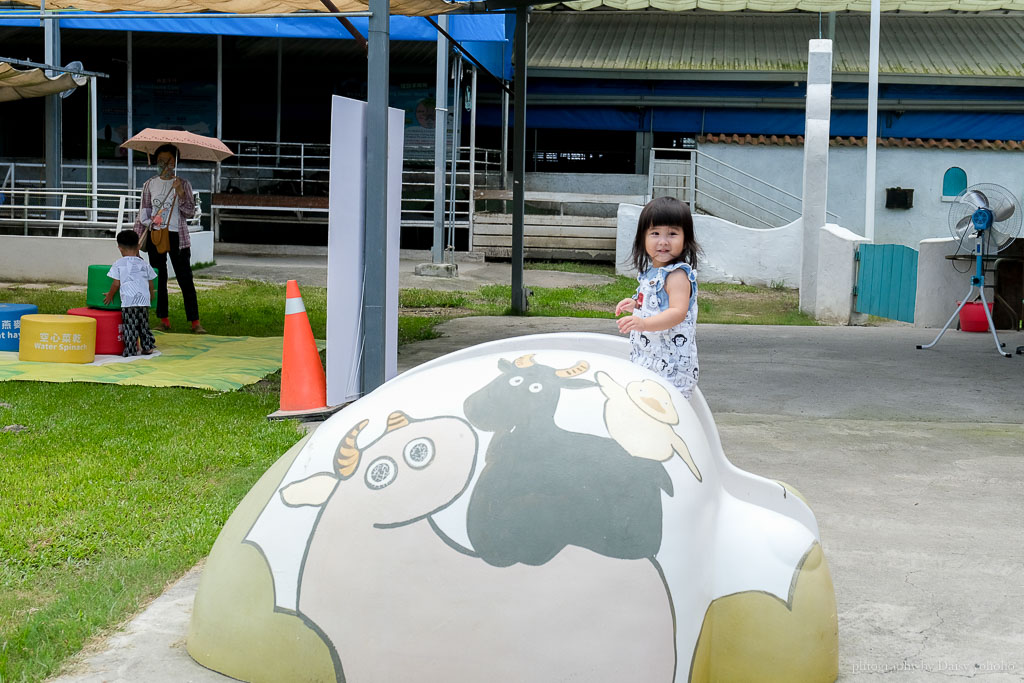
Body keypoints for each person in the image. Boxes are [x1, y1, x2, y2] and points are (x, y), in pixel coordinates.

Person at [614, 196, 702, 399]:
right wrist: (636, 304)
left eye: (672, 233)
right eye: (655, 233)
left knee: (668, 411)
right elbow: (656, 301)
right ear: (642, 238)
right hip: (648, 358)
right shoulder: (652, 273)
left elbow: (677, 312)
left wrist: (643, 323)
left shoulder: (678, 275)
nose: (663, 241)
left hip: (672, 369)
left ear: (685, 239)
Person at [133, 143, 206, 334]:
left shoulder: (183, 183)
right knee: (159, 278)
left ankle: (195, 322)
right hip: (157, 235)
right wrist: (136, 240)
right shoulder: (149, 185)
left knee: (185, 279)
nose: (164, 165)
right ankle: (163, 320)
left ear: (175, 163)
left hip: (178, 237)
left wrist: (180, 193)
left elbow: (190, 212)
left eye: (168, 161)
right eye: (160, 161)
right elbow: (144, 212)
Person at [104, 229, 158, 357]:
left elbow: (116, 284)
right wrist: (151, 294)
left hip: (129, 301)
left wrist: (110, 295)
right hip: (143, 300)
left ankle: (131, 349)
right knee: (143, 324)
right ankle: (148, 347)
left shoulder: (118, 264)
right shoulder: (144, 264)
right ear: (138, 246)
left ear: (120, 248)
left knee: (130, 326)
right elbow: (150, 283)